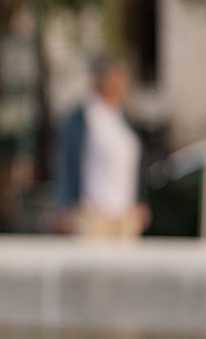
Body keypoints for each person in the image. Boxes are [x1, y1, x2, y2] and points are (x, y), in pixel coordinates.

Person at [54, 56, 149, 238]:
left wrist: (140, 199)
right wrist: (65, 203)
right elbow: (67, 161)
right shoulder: (82, 118)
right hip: (94, 211)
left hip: (125, 212)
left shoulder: (124, 118)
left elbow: (134, 163)